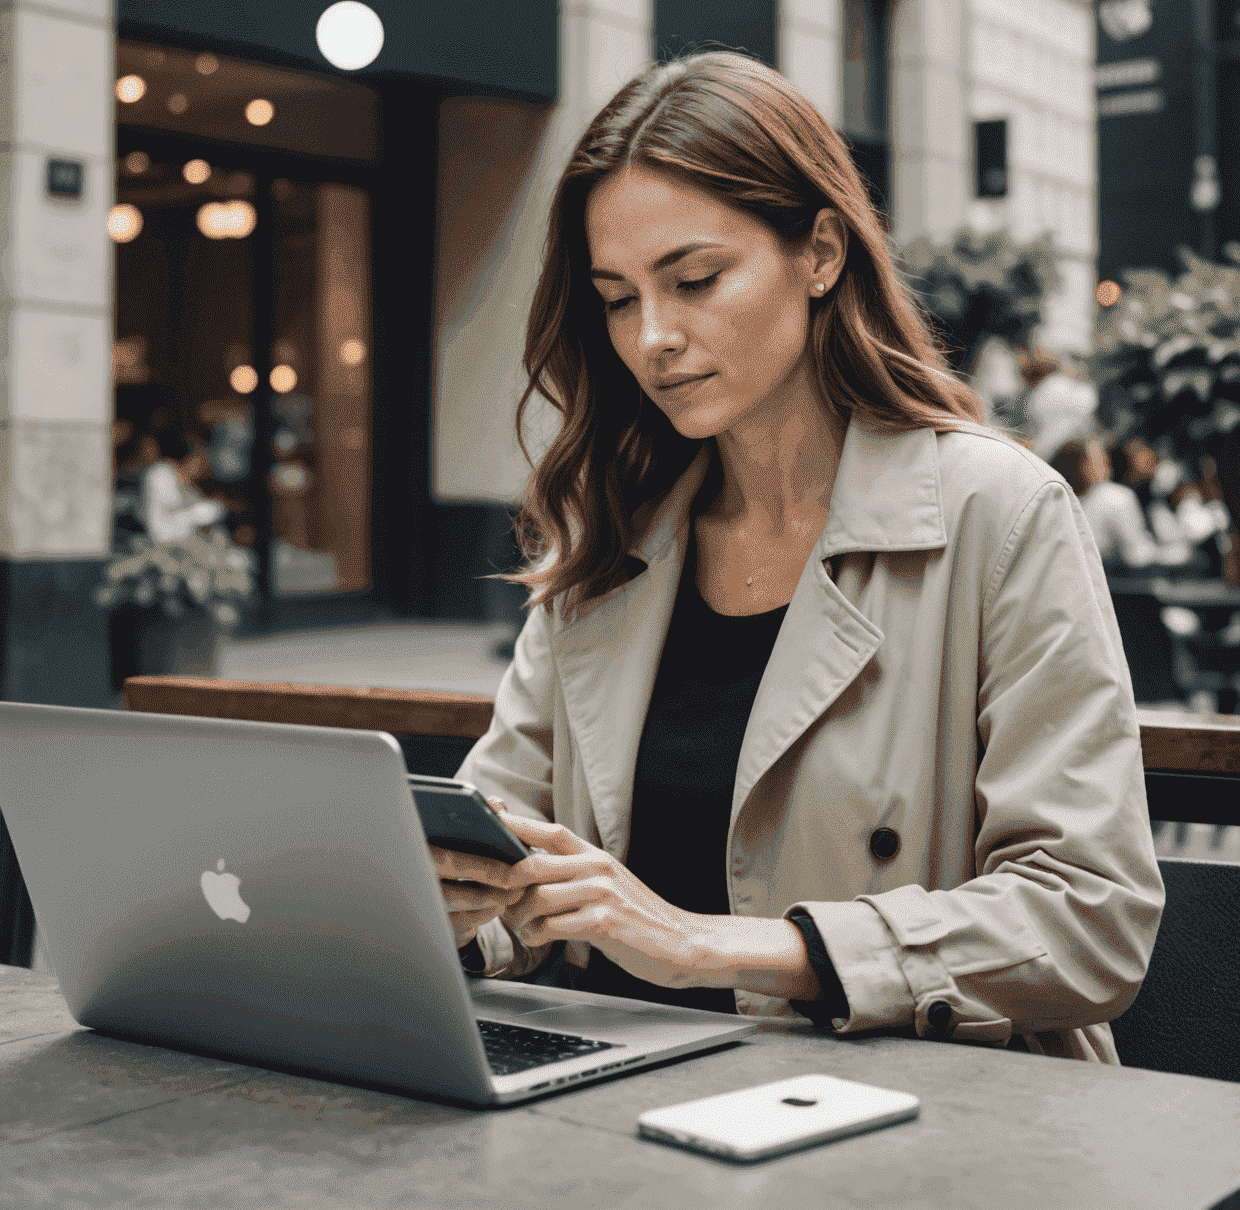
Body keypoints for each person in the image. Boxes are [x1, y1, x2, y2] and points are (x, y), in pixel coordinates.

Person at [431, 53, 1163, 1063]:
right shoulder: (616, 540)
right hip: (620, 1103)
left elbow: (1091, 916)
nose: (652, 338)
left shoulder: (997, 514)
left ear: (820, 253)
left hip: (921, 1121)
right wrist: (457, 903)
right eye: (615, 296)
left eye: (695, 280)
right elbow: (502, 853)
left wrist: (716, 946)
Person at [1051, 437, 1189, 573]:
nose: (1106, 462)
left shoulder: (1058, 500)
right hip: (1112, 587)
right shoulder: (1112, 496)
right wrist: (1176, 553)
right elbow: (1138, 557)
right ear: (1083, 466)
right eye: (1099, 458)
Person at [138, 429, 224, 546]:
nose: (203, 468)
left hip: (182, 545)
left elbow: (209, 513)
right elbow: (174, 511)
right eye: (199, 461)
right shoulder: (160, 473)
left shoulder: (189, 487)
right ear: (189, 458)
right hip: (160, 543)